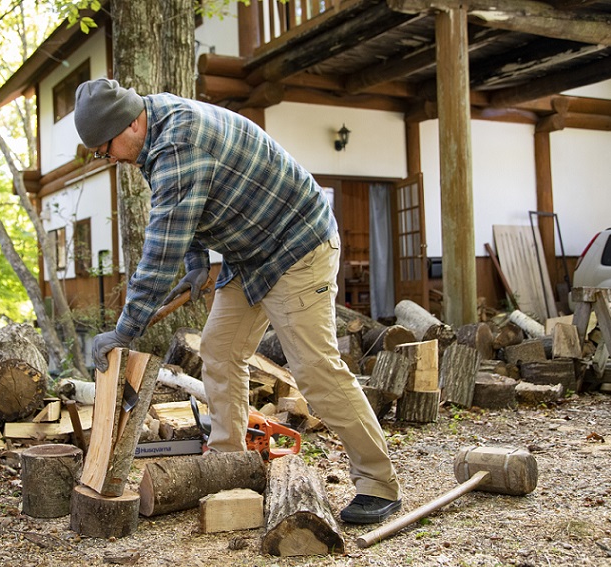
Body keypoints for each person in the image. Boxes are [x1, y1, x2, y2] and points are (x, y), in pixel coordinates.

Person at [73, 77, 401, 524]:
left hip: (297, 245)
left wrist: (126, 330)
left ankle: (378, 484)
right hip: (249, 255)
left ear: (129, 124)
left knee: (315, 369)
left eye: (104, 149)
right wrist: (196, 261)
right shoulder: (155, 129)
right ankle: (230, 464)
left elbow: (160, 248)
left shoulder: (178, 143)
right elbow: (185, 214)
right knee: (220, 350)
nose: (107, 158)